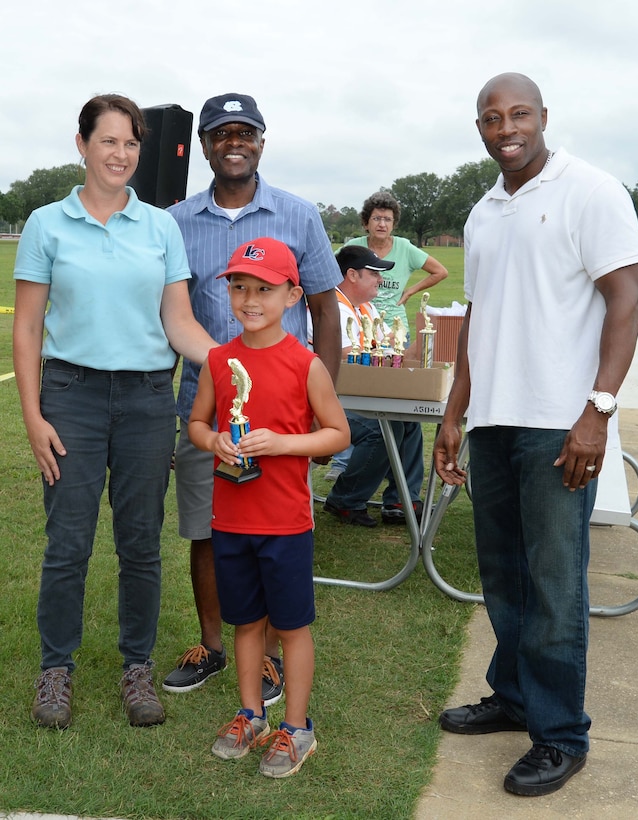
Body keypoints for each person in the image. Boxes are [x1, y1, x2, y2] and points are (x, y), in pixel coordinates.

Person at [432, 73, 638, 797]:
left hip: (560, 423)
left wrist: (598, 409)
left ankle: (560, 736)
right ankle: (516, 697)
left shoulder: (590, 190)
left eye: (518, 113)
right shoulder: (485, 210)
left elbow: (627, 299)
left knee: (554, 585)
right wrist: (454, 414)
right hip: (492, 421)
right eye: (491, 117)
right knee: (505, 576)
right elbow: (477, 324)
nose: (506, 127)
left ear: (543, 117)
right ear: (481, 127)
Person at [13, 94, 220, 729]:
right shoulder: (48, 224)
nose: (121, 155)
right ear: (82, 146)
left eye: (131, 144)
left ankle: (136, 669)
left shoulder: (160, 227)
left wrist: (236, 363)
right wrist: (33, 416)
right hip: (70, 398)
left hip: (146, 400)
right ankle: (57, 671)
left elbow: (179, 321)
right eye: (109, 142)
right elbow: (27, 329)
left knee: (140, 545)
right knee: (68, 544)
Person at [164, 94, 342, 703]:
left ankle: (267, 655)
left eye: (246, 132)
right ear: (205, 146)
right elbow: (172, 315)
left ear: (262, 141)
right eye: (221, 133)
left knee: (275, 534)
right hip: (208, 408)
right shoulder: (177, 221)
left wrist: (324, 409)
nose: (233, 142)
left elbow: (324, 308)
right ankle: (214, 647)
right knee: (208, 529)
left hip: (286, 417)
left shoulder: (297, 214)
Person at [188, 237, 349, 777]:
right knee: (246, 622)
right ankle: (251, 713)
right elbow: (197, 425)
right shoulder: (218, 359)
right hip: (231, 520)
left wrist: (282, 443)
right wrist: (214, 443)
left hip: (284, 523)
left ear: (292, 295)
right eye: (239, 287)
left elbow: (336, 435)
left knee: (292, 625)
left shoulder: (306, 365)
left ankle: (297, 727)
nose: (249, 299)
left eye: (264, 289)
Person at [323, 245, 424, 527]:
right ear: (352, 275)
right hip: (331, 401)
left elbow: (397, 352)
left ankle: (401, 499)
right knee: (382, 429)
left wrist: (428, 332)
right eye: (374, 274)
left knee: (409, 419)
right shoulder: (331, 307)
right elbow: (347, 358)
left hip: (360, 396)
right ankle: (345, 500)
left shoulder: (366, 307)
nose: (381, 280)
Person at [344, 190, 448, 340]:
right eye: (376, 218)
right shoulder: (353, 247)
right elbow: (330, 271)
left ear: (393, 224)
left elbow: (440, 272)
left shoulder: (405, 248)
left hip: (396, 330)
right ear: (366, 223)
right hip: (360, 327)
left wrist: (410, 291)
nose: (382, 224)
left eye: (387, 219)